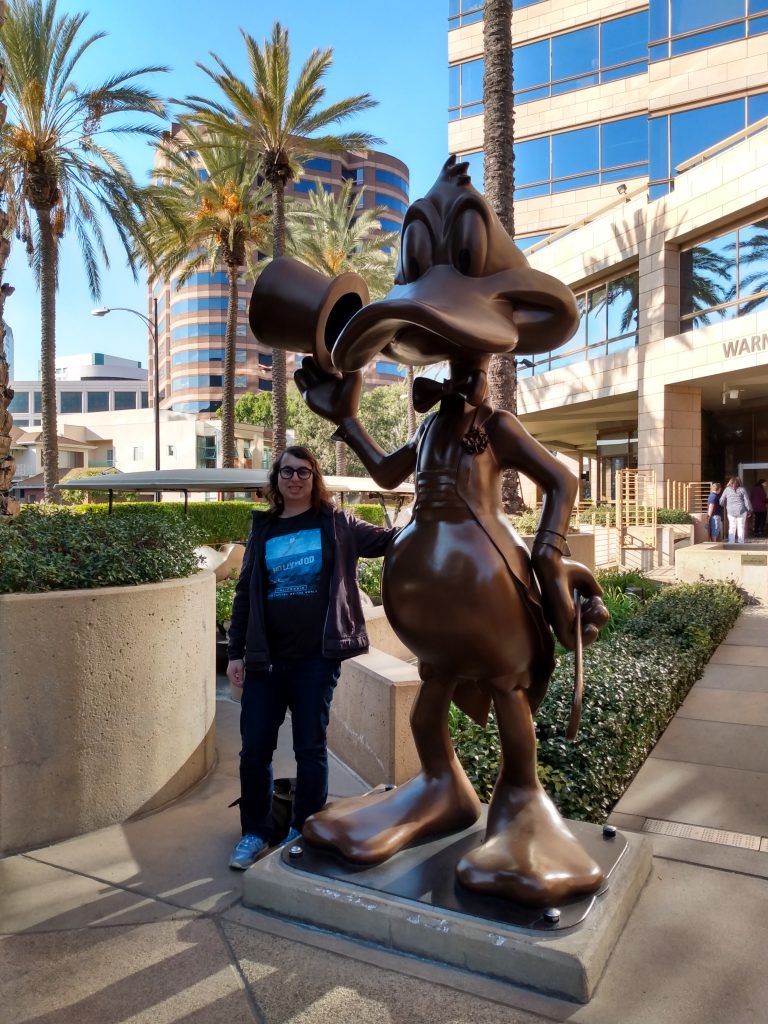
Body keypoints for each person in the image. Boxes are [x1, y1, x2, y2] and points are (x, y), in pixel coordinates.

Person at [226, 445, 397, 870]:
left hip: (315, 662)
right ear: (277, 479)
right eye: (287, 471)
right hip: (266, 662)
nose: (295, 478)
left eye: (303, 471)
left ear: (314, 477)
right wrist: (235, 653)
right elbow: (245, 595)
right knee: (254, 753)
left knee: (310, 749)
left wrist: (434, 514)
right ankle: (255, 832)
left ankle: (302, 829)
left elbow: (387, 541)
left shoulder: (335, 523)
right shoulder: (263, 529)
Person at [720, 475, 752, 544]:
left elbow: (721, 501)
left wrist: (725, 505)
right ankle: (741, 542)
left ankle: (731, 542)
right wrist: (749, 510)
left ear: (730, 482)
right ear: (739, 482)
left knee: (732, 526)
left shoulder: (726, 490)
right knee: (741, 527)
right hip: (741, 510)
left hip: (730, 511)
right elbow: (746, 500)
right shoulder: (742, 489)